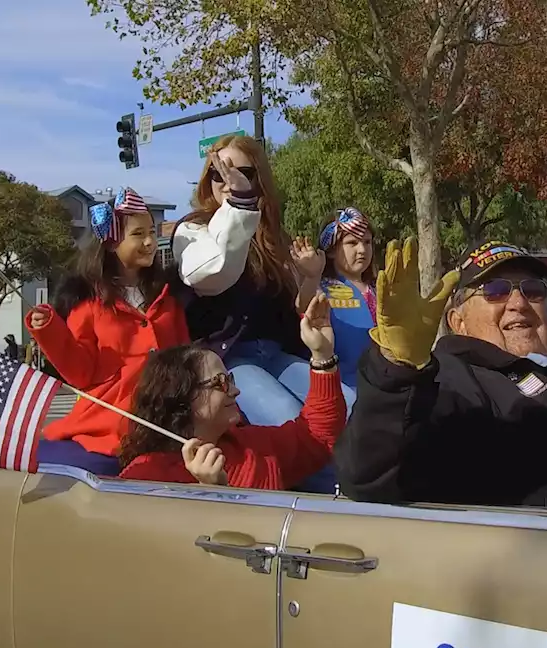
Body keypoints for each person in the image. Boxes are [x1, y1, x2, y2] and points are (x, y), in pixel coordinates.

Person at [335, 238, 547, 509]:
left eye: (533, 289)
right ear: (458, 322)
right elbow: (367, 474)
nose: (518, 303)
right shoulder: (457, 379)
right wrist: (395, 371)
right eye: (495, 290)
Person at [26, 187, 190, 477]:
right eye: (138, 234)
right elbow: (80, 373)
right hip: (110, 422)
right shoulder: (90, 303)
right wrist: (50, 331)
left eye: (151, 232)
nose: (151, 242)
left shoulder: (167, 297)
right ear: (113, 242)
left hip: (167, 422)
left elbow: (186, 358)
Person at [118, 295, 346, 488]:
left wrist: (322, 355)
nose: (236, 391)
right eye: (220, 382)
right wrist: (211, 494)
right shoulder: (145, 476)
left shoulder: (254, 446)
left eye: (230, 379)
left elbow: (317, 437)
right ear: (181, 397)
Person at [171, 134, 311, 428]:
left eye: (241, 172)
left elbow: (298, 306)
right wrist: (240, 203)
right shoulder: (192, 228)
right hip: (227, 360)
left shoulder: (274, 238)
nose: (227, 180)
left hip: (278, 353)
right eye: (217, 172)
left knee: (344, 406)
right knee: (292, 419)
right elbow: (213, 273)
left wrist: (311, 276)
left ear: (259, 179)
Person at [291, 207, 378, 410]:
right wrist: (312, 276)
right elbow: (302, 306)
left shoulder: (380, 288)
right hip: (340, 389)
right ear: (330, 250)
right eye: (352, 243)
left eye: (367, 242)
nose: (362, 250)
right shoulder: (322, 287)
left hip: (380, 386)